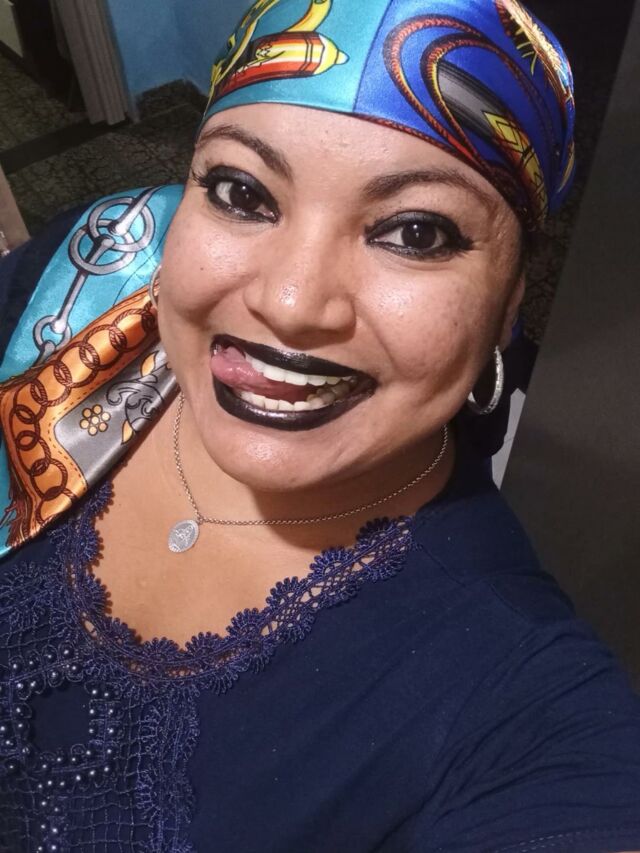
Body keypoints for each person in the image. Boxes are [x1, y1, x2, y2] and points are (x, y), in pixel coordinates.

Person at [0, 0, 639, 850]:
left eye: (415, 232)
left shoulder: (521, 712)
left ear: (509, 301)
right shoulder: (90, 274)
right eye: (241, 193)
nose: (292, 302)